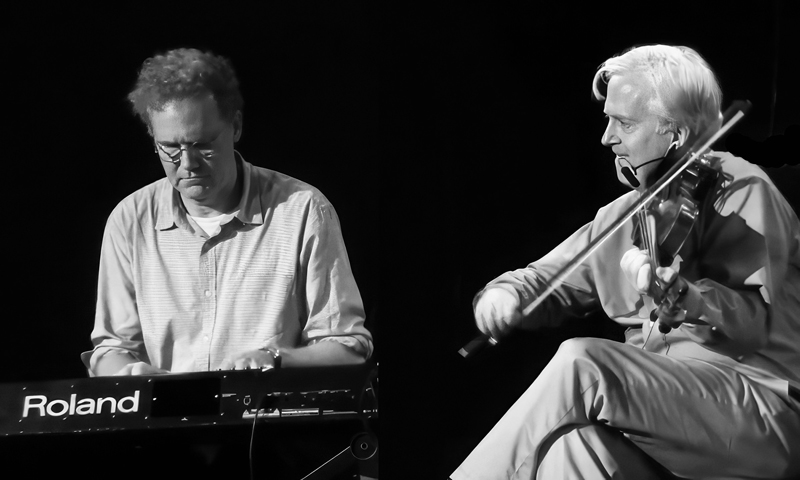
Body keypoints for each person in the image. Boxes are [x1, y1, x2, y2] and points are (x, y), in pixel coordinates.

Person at [452, 45, 800, 479]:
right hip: (665, 422)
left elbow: (754, 321)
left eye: (625, 123)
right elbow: (543, 278)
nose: (607, 138)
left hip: (756, 414)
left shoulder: (743, 191)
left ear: (676, 133)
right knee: (574, 449)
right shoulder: (624, 216)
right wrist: (502, 295)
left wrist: (693, 300)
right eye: (608, 120)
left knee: (582, 363)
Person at [81, 48, 373, 376]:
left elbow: (347, 347)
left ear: (235, 126)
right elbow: (112, 350)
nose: (188, 164)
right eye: (171, 148)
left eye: (202, 145)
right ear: (152, 136)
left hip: (266, 422)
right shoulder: (130, 220)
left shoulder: (303, 210)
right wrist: (130, 374)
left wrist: (275, 359)